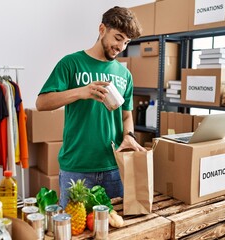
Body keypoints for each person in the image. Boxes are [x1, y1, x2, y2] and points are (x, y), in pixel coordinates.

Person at [35, 6, 145, 208]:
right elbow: (42, 103)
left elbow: (126, 115)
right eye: (118, 38)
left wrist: (129, 135)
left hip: (114, 167)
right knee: (72, 231)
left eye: (127, 42)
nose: (121, 46)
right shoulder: (71, 63)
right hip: (77, 168)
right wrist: (81, 92)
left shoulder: (124, 75)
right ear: (102, 29)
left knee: (113, 230)